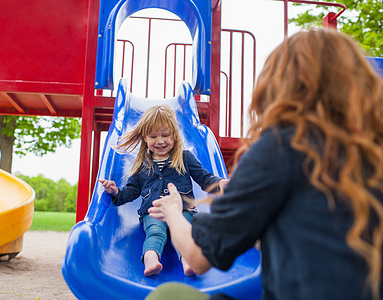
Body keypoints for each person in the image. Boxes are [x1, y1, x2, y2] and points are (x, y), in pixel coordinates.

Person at [147, 29, 383, 300]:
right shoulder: (372, 153)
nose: (160, 141)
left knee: (169, 296)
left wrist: (174, 210)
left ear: (280, 87)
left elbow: (200, 255)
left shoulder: (283, 147)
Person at [99, 104, 229, 277]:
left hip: (183, 209)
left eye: (165, 135)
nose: (160, 141)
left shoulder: (185, 158)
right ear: (145, 138)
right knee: (155, 232)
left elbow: (205, 179)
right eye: (153, 136)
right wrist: (115, 192)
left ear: (174, 136)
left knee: (184, 232)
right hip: (154, 212)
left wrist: (221, 184)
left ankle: (188, 262)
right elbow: (131, 191)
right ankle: (151, 261)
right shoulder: (142, 165)